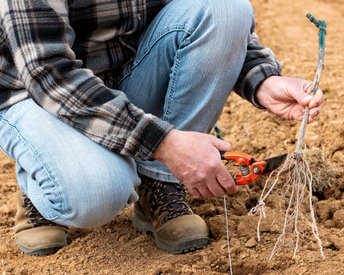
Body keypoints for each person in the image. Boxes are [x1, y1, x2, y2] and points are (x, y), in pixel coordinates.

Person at [0, 0, 323, 256]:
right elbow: (48, 71)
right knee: (97, 195)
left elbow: (212, 21)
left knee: (226, 7)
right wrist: (163, 143)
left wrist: (263, 80)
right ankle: (42, 178)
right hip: (37, 95)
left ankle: (160, 184)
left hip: (126, 79)